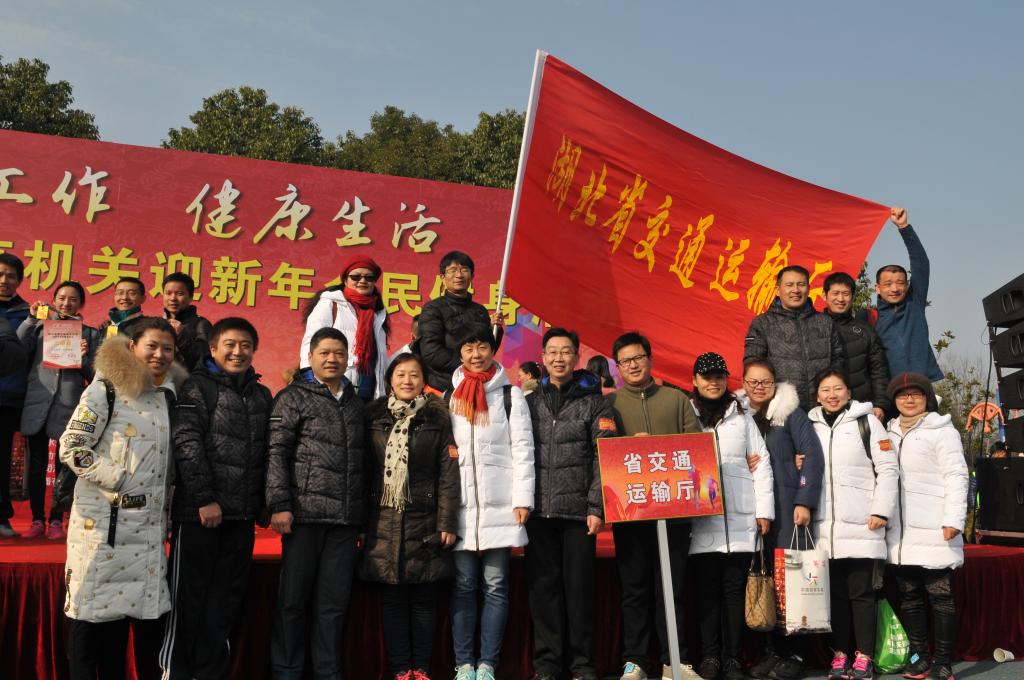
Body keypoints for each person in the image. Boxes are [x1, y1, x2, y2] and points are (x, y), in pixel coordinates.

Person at [59, 317, 186, 680]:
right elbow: (72, 447)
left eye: (167, 349)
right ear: (133, 347)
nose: (159, 355)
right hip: (102, 530)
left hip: (147, 533)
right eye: (152, 346)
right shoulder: (105, 390)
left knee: (127, 629)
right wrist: (119, 479)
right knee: (89, 629)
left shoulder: (170, 397)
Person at [160, 317, 273, 680]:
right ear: (213, 349)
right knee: (186, 600)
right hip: (199, 515)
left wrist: (263, 506)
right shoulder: (196, 388)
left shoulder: (261, 395)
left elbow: (267, 454)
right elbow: (187, 443)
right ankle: (174, 671)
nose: (238, 352)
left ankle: (210, 672)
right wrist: (204, 499)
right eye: (230, 345)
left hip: (241, 518)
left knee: (224, 603)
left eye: (245, 346)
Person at [266, 327, 367, 680]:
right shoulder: (292, 397)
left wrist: (362, 519)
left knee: (333, 606)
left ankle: (328, 673)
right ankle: (286, 672)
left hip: (344, 521)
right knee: (292, 602)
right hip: (303, 516)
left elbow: (364, 463)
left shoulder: (356, 403)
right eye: (324, 353)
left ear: (348, 358)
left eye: (339, 353)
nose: (332, 359)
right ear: (310, 357)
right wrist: (279, 504)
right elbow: (276, 452)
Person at [607, 332, 701, 680]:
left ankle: (675, 660)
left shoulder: (676, 399)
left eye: (638, 358)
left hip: (673, 513)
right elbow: (604, 452)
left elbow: (695, 449)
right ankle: (634, 661)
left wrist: (657, 447)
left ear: (650, 359)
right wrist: (630, 447)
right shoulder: (611, 404)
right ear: (618, 367)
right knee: (634, 589)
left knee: (671, 590)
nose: (633, 365)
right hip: (630, 513)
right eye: (625, 361)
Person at [362, 352, 460, 680]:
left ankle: (422, 668)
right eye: (401, 374)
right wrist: (360, 524)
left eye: (414, 375)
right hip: (383, 520)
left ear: (424, 381)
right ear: (390, 380)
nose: (407, 380)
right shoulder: (373, 417)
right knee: (393, 600)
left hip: (425, 521)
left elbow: (448, 474)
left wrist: (447, 522)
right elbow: (364, 473)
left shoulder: (437, 418)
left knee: (424, 599)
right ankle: (402, 670)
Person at [524, 327, 615, 680]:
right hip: (538, 512)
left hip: (579, 514)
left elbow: (604, 456)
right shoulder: (528, 403)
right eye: (552, 352)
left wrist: (596, 507)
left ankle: (581, 664)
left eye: (566, 352)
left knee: (579, 592)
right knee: (543, 591)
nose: (559, 358)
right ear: (543, 358)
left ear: (577, 357)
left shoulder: (595, 403)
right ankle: (547, 664)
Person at [448, 327, 535, 680]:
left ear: (492, 350)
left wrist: (523, 499)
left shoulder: (510, 395)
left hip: (502, 505)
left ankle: (487, 665)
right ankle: (464, 664)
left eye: (482, 346)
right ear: (460, 354)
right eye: (468, 347)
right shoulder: (449, 395)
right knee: (463, 586)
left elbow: (523, 449)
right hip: (461, 506)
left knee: (496, 587)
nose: (476, 354)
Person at [807, 369, 898, 680]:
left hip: (862, 525)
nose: (832, 395)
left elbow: (888, 469)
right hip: (823, 529)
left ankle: (865, 657)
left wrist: (881, 511)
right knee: (835, 597)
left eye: (838, 388)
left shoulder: (867, 422)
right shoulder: (809, 425)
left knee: (862, 595)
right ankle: (840, 655)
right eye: (825, 389)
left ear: (849, 392)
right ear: (817, 395)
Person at [687, 352, 774, 680]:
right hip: (701, 520)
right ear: (695, 380)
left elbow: (761, 463)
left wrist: (764, 510)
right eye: (706, 377)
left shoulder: (742, 415)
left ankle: (733, 659)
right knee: (707, 593)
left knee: (735, 591)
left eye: (719, 376)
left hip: (740, 518)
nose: (713, 382)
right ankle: (710, 658)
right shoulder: (687, 413)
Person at [738, 360, 825, 680]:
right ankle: (771, 651)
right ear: (743, 383)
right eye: (753, 382)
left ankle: (796, 653)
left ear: (775, 383)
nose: (759, 387)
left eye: (766, 382)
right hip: (752, 510)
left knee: (790, 580)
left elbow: (812, 457)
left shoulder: (792, 414)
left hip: (787, 508)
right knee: (763, 582)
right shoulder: (738, 416)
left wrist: (804, 501)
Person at [884, 373, 968, 680]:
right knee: (909, 597)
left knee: (940, 597)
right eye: (902, 394)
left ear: (927, 398)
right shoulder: (887, 432)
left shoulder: (942, 430)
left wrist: (953, 519)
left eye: (916, 394)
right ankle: (919, 657)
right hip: (900, 532)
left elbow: (957, 475)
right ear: (894, 400)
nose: (909, 399)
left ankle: (943, 662)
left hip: (935, 527)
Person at [17, 281, 101, 539]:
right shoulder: (39, 328)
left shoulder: (89, 334)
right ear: (53, 300)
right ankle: (37, 519)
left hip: (68, 406)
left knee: (65, 466)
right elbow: (17, 348)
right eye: (62, 298)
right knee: (37, 465)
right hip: (38, 402)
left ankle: (56, 519)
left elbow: (95, 375)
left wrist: (84, 358)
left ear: (81, 304)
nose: (66, 303)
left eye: (73, 299)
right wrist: (31, 319)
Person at [744, 265, 845, 411]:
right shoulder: (763, 323)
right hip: (781, 409)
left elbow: (839, 360)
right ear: (777, 290)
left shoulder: (825, 322)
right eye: (789, 285)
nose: (796, 290)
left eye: (801, 284)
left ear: (808, 289)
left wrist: (830, 392)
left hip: (822, 407)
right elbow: (753, 364)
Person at [870, 208, 944, 383]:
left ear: (907, 285)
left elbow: (921, 263)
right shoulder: (870, 318)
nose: (895, 288)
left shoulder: (914, 302)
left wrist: (904, 227)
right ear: (877, 288)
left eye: (900, 283)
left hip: (921, 384)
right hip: (889, 388)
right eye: (888, 284)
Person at [300, 257, 389, 400]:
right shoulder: (331, 304)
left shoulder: (379, 314)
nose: (362, 281)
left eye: (369, 278)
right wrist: (310, 378)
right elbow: (310, 342)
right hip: (334, 389)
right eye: (356, 277)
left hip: (369, 393)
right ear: (345, 280)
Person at [417, 251, 502, 394]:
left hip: (477, 385)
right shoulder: (433, 309)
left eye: (464, 270)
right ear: (442, 277)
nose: (459, 275)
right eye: (452, 270)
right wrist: (469, 364)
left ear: (472, 276)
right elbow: (431, 352)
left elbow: (488, 351)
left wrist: (495, 330)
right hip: (444, 388)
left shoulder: (480, 310)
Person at [823, 272, 890, 420]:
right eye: (835, 293)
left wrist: (880, 404)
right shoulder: (813, 327)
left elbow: (878, 370)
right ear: (824, 296)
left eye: (846, 294)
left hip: (860, 407)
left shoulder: (866, 330)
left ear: (853, 297)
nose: (841, 299)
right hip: (822, 407)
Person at [0, 252, 30, 538]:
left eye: (10, 276)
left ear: (19, 281)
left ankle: (1, 517)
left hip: (7, 397)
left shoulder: (28, 314)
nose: (4, 280)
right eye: (0, 275)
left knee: (1, 458)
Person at [162, 271, 213, 370]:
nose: (173, 298)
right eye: (168, 293)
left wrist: (182, 336)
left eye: (179, 294)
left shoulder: (201, 324)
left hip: (187, 379)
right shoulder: (157, 323)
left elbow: (205, 360)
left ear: (191, 297)